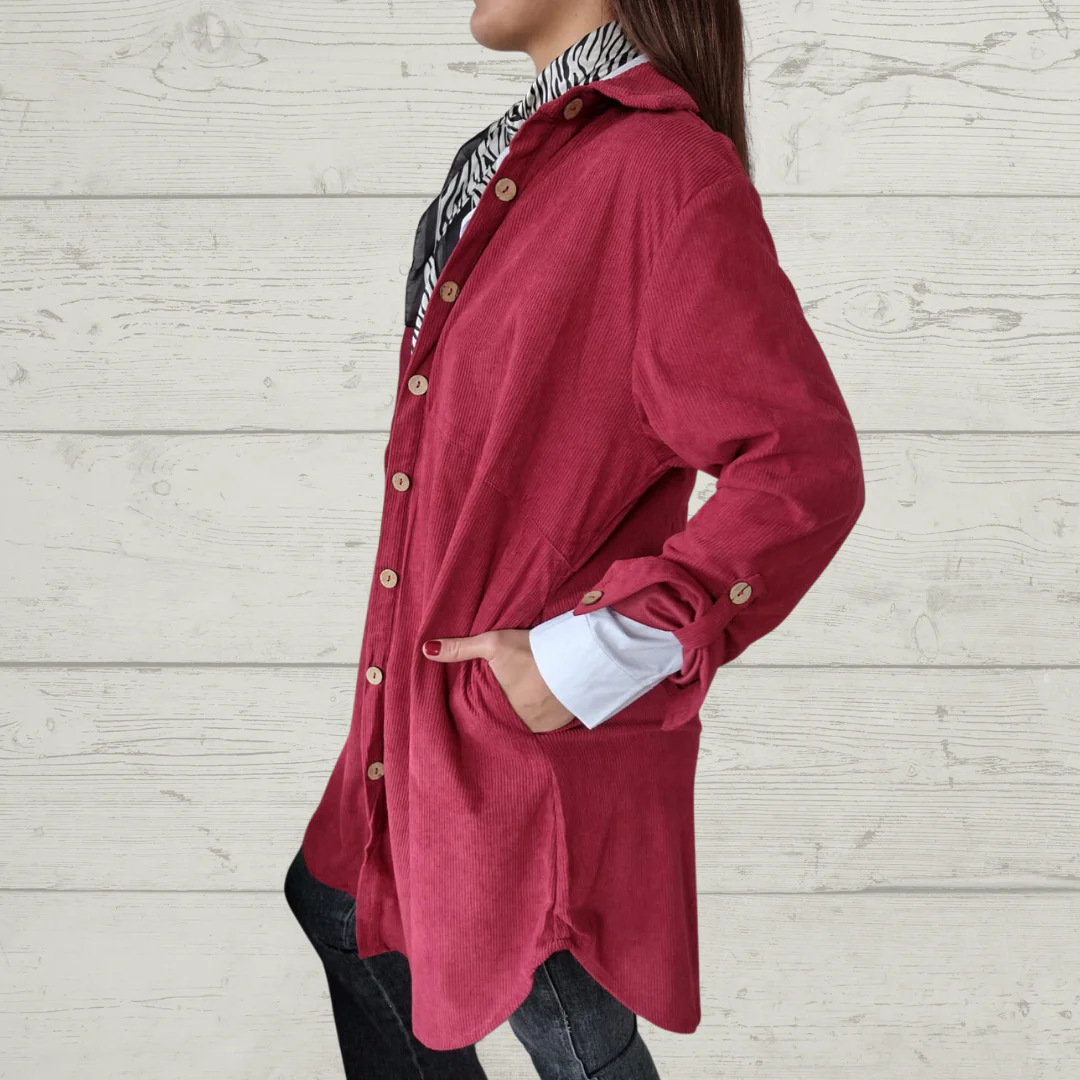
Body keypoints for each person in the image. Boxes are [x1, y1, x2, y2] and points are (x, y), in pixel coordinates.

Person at [284, 1, 866, 1077]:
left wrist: (588, 656)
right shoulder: (511, 162)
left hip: (518, 742)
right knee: (340, 904)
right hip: (421, 716)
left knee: (565, 1023)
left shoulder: (662, 170)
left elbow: (805, 467)